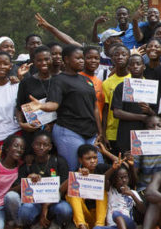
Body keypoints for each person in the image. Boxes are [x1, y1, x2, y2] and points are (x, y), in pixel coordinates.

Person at [25, 45, 105, 173]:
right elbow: (54, 104)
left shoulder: (86, 80)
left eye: (82, 58)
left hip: (90, 132)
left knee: (97, 167)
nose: (82, 61)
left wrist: (100, 132)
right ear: (66, 59)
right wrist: (41, 106)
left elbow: (95, 107)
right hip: (69, 130)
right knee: (74, 169)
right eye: (78, 58)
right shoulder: (59, 80)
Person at [17, 131, 74, 229]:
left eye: (45, 145)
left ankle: (55, 223)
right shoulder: (28, 165)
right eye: (38, 144)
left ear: (50, 147)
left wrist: (46, 206)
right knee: (24, 211)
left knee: (65, 210)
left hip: (55, 202)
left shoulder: (58, 161)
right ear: (33, 145)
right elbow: (21, 191)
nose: (41, 147)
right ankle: (35, 224)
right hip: (35, 203)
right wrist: (28, 181)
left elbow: (64, 187)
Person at [111, 53, 156, 154]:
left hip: (146, 134)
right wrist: (141, 117)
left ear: (144, 67)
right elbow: (116, 113)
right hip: (126, 133)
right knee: (127, 160)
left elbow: (157, 114)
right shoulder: (121, 86)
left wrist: (149, 111)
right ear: (128, 68)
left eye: (138, 64)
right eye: (132, 64)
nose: (135, 66)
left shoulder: (151, 86)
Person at [93, 161, 142, 229]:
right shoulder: (111, 190)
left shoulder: (133, 193)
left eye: (126, 177)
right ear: (114, 180)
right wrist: (112, 169)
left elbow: (143, 209)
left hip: (129, 226)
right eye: (120, 178)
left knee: (116, 214)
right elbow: (102, 181)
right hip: (113, 228)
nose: (124, 180)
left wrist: (132, 195)